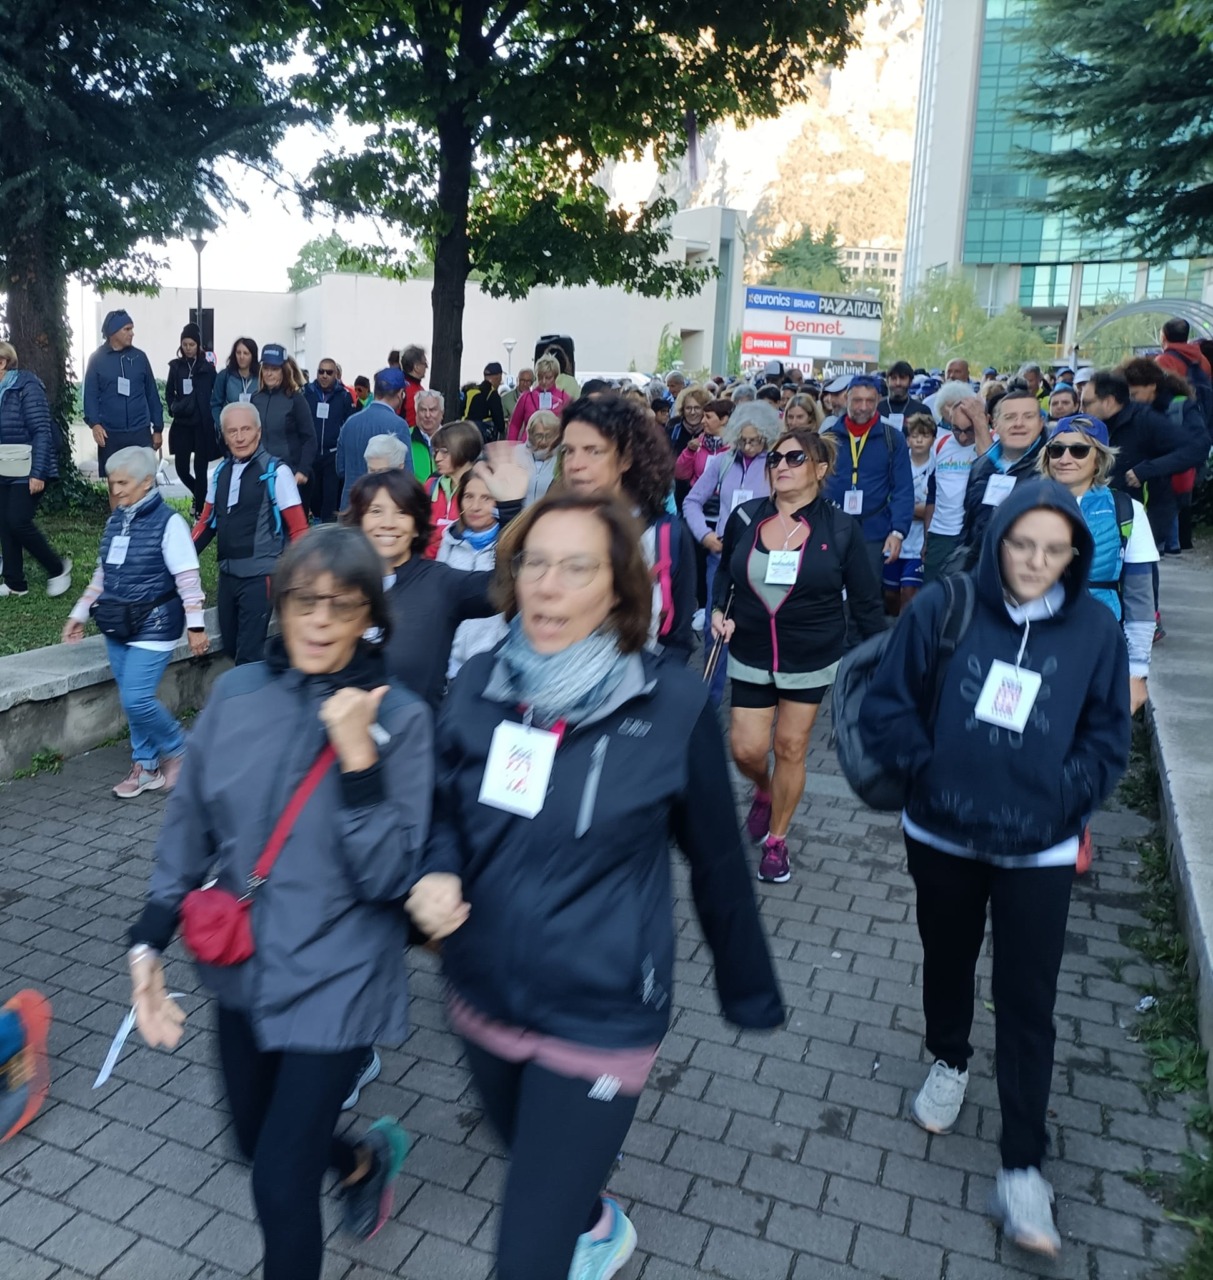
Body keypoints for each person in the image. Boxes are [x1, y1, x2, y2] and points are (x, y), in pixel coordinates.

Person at [407, 491, 785, 1280]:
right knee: (533, 1159)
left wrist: (747, 987)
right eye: (534, 564)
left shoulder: (671, 702)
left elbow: (717, 859)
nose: (547, 585)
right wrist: (435, 870)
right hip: (481, 991)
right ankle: (589, 1216)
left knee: (527, 1254)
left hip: (603, 1010)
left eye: (575, 568)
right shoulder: (478, 683)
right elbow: (440, 807)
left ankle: (571, 1219)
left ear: (618, 589)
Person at [126, 526, 430, 1280]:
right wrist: (148, 943)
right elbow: (190, 825)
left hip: (340, 973)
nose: (320, 620)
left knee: (278, 1180)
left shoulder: (402, 718)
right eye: (304, 601)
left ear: (370, 617)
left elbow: (390, 876)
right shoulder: (237, 695)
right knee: (253, 1141)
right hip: (245, 966)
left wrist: (359, 760)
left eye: (342, 604)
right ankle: (360, 1160)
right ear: (279, 603)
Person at [858, 479, 1131, 1260]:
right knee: (946, 960)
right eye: (1022, 543)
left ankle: (1021, 1167)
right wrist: (928, 772)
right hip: (940, 835)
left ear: (1074, 555)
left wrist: (1060, 796)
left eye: (1054, 549)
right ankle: (948, 1057)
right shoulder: (943, 607)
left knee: (1026, 999)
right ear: (998, 539)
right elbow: (886, 706)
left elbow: (1107, 738)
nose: (1035, 561)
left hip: (1037, 848)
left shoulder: (1095, 631)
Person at [712, 428, 884, 884]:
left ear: (820, 469)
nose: (781, 466)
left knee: (790, 746)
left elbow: (866, 601)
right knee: (746, 749)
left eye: (794, 458)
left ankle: (777, 840)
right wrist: (717, 610)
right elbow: (726, 574)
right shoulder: (745, 516)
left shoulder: (840, 527)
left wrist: (880, 660)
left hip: (811, 654)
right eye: (775, 459)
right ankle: (764, 790)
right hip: (750, 648)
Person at [61, 446, 208, 796]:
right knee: (132, 699)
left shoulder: (170, 523)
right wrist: (79, 613)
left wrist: (196, 626)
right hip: (117, 623)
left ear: (146, 482)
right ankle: (145, 766)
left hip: (155, 623)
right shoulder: (116, 520)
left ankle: (180, 748)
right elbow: (102, 575)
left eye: (123, 483)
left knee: (136, 697)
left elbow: (188, 580)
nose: (115, 490)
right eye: (112, 483)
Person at [343, 446, 527, 708]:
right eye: (375, 511)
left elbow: (508, 584)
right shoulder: (339, 583)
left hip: (415, 730)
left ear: (417, 526)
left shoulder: (441, 584)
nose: (388, 522)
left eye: (401, 512)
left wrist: (510, 510)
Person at [559, 393, 696, 659]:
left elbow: (678, 641)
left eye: (593, 451)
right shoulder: (551, 530)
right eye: (568, 451)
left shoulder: (666, 536)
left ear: (626, 459)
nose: (575, 465)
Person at [1038, 414, 1154, 715]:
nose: (1065, 458)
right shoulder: (1023, 505)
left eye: (1078, 450)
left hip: (1097, 643)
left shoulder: (1127, 510)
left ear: (1099, 458)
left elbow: (1140, 597)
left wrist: (1137, 670)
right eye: (1056, 449)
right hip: (1033, 642)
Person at [194, 402, 309, 664]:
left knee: (248, 654)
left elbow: (299, 529)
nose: (239, 437)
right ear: (224, 436)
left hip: (261, 577)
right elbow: (206, 523)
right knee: (231, 647)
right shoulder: (220, 472)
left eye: (246, 429)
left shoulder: (276, 472)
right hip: (228, 576)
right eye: (232, 431)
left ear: (259, 431)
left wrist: (302, 579)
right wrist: (179, 559)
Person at [822, 375, 914, 594]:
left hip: (873, 532)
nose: (863, 407)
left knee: (867, 595)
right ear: (846, 399)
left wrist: (898, 532)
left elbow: (903, 489)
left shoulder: (892, 438)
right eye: (857, 400)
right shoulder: (828, 438)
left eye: (870, 401)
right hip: (832, 529)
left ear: (878, 400)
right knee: (827, 592)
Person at [0, 342, 72, 600]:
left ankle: (58, 568)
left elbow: (41, 431)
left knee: (17, 520)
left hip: (30, 466)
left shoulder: (27, 386)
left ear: (2, 363)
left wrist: (38, 473)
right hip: (4, 465)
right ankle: (15, 583)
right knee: (5, 522)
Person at [1119, 356, 1211, 555]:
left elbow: (1198, 447)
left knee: (1145, 554)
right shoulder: (1136, 411)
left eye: (1134, 394)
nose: (1131, 400)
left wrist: (1148, 469)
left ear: (1152, 386)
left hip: (1163, 494)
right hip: (1137, 492)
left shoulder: (1180, 407)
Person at [958, 388, 1048, 563]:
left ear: (1041, 422)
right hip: (980, 568)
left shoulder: (1052, 468)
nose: (1018, 423)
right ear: (995, 424)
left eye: (1028, 416)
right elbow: (969, 524)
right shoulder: (980, 466)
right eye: (1010, 417)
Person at [436, 469, 509, 675]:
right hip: (449, 660)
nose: (475, 506)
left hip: (493, 663)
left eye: (486, 498)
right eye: (469, 496)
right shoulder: (449, 540)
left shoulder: (510, 546)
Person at [84, 310, 163, 477]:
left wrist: (158, 428)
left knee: (143, 480)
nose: (132, 333)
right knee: (116, 481)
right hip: (111, 433)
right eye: (127, 329)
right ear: (113, 332)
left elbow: (152, 394)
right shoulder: (97, 359)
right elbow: (90, 395)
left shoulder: (140, 357)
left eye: (132, 328)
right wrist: (95, 424)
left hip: (140, 431)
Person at [922, 387, 985, 583]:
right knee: (933, 592)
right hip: (941, 535)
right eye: (956, 429)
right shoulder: (939, 445)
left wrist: (981, 429)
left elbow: (990, 468)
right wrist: (927, 538)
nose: (963, 437)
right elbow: (932, 496)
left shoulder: (993, 443)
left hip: (973, 535)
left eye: (969, 430)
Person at [336, 368, 414, 510]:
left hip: (350, 507)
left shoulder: (350, 422)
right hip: (381, 509)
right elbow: (407, 473)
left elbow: (340, 469)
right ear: (400, 394)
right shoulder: (399, 425)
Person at [884, 413, 936, 615]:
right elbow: (889, 502)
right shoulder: (897, 463)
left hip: (918, 542)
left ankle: (905, 629)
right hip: (895, 539)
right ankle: (893, 626)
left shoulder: (936, 465)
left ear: (933, 439)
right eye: (914, 436)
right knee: (890, 594)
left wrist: (904, 508)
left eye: (925, 435)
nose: (919, 440)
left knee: (909, 591)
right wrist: (914, 510)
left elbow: (931, 509)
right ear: (907, 440)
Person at [166, 323, 218, 519]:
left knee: (200, 468)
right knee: (181, 468)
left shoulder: (207, 368)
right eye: (185, 344)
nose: (188, 348)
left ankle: (201, 511)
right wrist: (174, 406)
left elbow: (216, 394)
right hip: (182, 424)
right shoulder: (176, 367)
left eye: (192, 344)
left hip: (202, 425)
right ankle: (200, 494)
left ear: (198, 345)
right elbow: (169, 392)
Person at [251, 345, 317, 490]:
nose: (269, 373)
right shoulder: (255, 399)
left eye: (274, 369)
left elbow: (310, 438)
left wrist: (303, 470)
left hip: (290, 474)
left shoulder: (296, 399)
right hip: (261, 472)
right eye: (266, 368)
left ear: (284, 371)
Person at [302, 358, 356, 523]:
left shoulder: (344, 396)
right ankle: (314, 523)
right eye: (321, 371)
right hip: (312, 452)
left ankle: (328, 529)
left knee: (330, 496)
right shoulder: (308, 393)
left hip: (333, 453)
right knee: (313, 495)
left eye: (329, 372)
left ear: (336, 375)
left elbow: (348, 424)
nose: (324, 375)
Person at [425, 419, 484, 557]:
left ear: (464, 450)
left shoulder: (483, 491)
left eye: (444, 452)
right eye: (436, 451)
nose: (437, 458)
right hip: (427, 564)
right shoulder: (430, 486)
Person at [673, 395, 730, 507]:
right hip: (698, 503)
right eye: (703, 416)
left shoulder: (735, 448)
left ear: (724, 420)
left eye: (708, 417)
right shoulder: (698, 443)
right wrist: (689, 452)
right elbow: (680, 474)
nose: (702, 421)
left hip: (725, 504)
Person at [508, 354, 570, 440]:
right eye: (540, 377)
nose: (543, 381)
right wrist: (511, 445)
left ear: (555, 377)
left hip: (555, 445)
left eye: (548, 378)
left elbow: (571, 426)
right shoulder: (526, 398)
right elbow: (514, 425)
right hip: (528, 445)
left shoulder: (564, 398)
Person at [211, 338, 260, 437]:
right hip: (230, 431)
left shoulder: (260, 377)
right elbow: (215, 404)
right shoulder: (224, 376)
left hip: (254, 431)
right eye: (238, 353)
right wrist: (222, 426)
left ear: (253, 355)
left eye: (246, 353)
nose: (241, 357)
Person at [521, 409, 561, 506]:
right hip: (521, 514)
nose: (543, 441)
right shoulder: (518, 454)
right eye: (538, 436)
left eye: (548, 436)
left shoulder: (562, 458)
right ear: (530, 435)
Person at [879, 360, 932, 430]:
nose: (898, 383)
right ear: (887, 382)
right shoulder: (876, 408)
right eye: (894, 378)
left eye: (902, 378)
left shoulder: (922, 411)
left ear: (910, 382)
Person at [462, 361, 506, 442]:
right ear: (498, 377)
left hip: (465, 431)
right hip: (481, 437)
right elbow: (500, 424)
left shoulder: (470, 391)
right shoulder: (492, 394)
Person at [666, 386, 710, 455]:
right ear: (682, 410)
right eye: (688, 408)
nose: (692, 412)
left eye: (697, 408)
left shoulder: (710, 434)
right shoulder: (672, 432)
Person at [412, 389, 443, 482]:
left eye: (432, 410)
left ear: (442, 413)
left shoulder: (452, 438)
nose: (428, 415)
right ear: (416, 413)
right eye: (423, 410)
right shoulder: (406, 436)